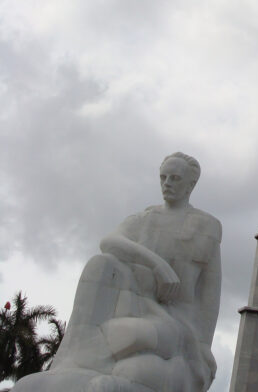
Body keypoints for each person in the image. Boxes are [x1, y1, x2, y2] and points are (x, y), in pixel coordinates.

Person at [12, 152, 221, 392]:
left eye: (175, 178)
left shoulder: (207, 227)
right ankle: (74, 360)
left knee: (134, 337)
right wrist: (156, 263)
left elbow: (209, 299)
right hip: (133, 305)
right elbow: (109, 241)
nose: (167, 184)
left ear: (191, 184)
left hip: (175, 321)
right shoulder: (144, 218)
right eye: (163, 177)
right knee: (100, 264)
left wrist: (202, 352)